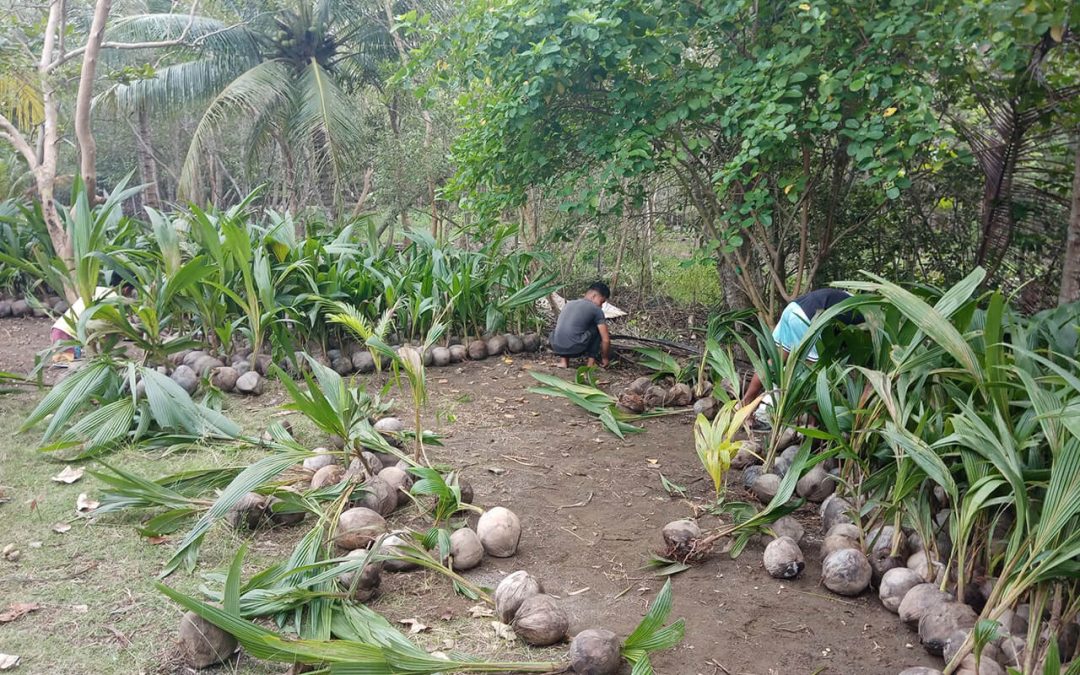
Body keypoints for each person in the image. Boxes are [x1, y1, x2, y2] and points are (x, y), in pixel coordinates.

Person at [740, 287, 861, 410]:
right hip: (808, 317)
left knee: (775, 361)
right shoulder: (866, 314)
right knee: (815, 372)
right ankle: (812, 421)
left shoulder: (849, 298)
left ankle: (744, 405)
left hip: (792, 309)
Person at [549, 282, 612, 368]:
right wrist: (605, 358)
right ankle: (590, 363)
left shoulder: (569, 304)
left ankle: (563, 361)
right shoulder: (596, 310)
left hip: (556, 346)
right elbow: (606, 340)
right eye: (602, 302)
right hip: (575, 348)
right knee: (598, 328)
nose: (601, 306)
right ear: (593, 296)